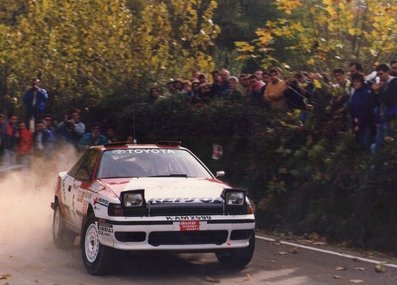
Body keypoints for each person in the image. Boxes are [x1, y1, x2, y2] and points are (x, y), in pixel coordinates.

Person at [371, 63, 397, 153]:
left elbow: (390, 100)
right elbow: (376, 103)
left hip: (391, 120)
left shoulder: (394, 82)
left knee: (389, 148)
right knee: (377, 147)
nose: (379, 76)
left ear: (388, 72)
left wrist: (378, 91)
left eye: (381, 73)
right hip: (382, 119)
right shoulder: (382, 84)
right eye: (378, 74)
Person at [348, 72, 377, 149]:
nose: (355, 83)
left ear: (362, 82)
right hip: (358, 123)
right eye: (354, 81)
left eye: (357, 81)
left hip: (366, 123)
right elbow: (352, 108)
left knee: (366, 145)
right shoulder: (356, 93)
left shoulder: (366, 92)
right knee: (360, 145)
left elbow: (365, 110)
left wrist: (359, 124)